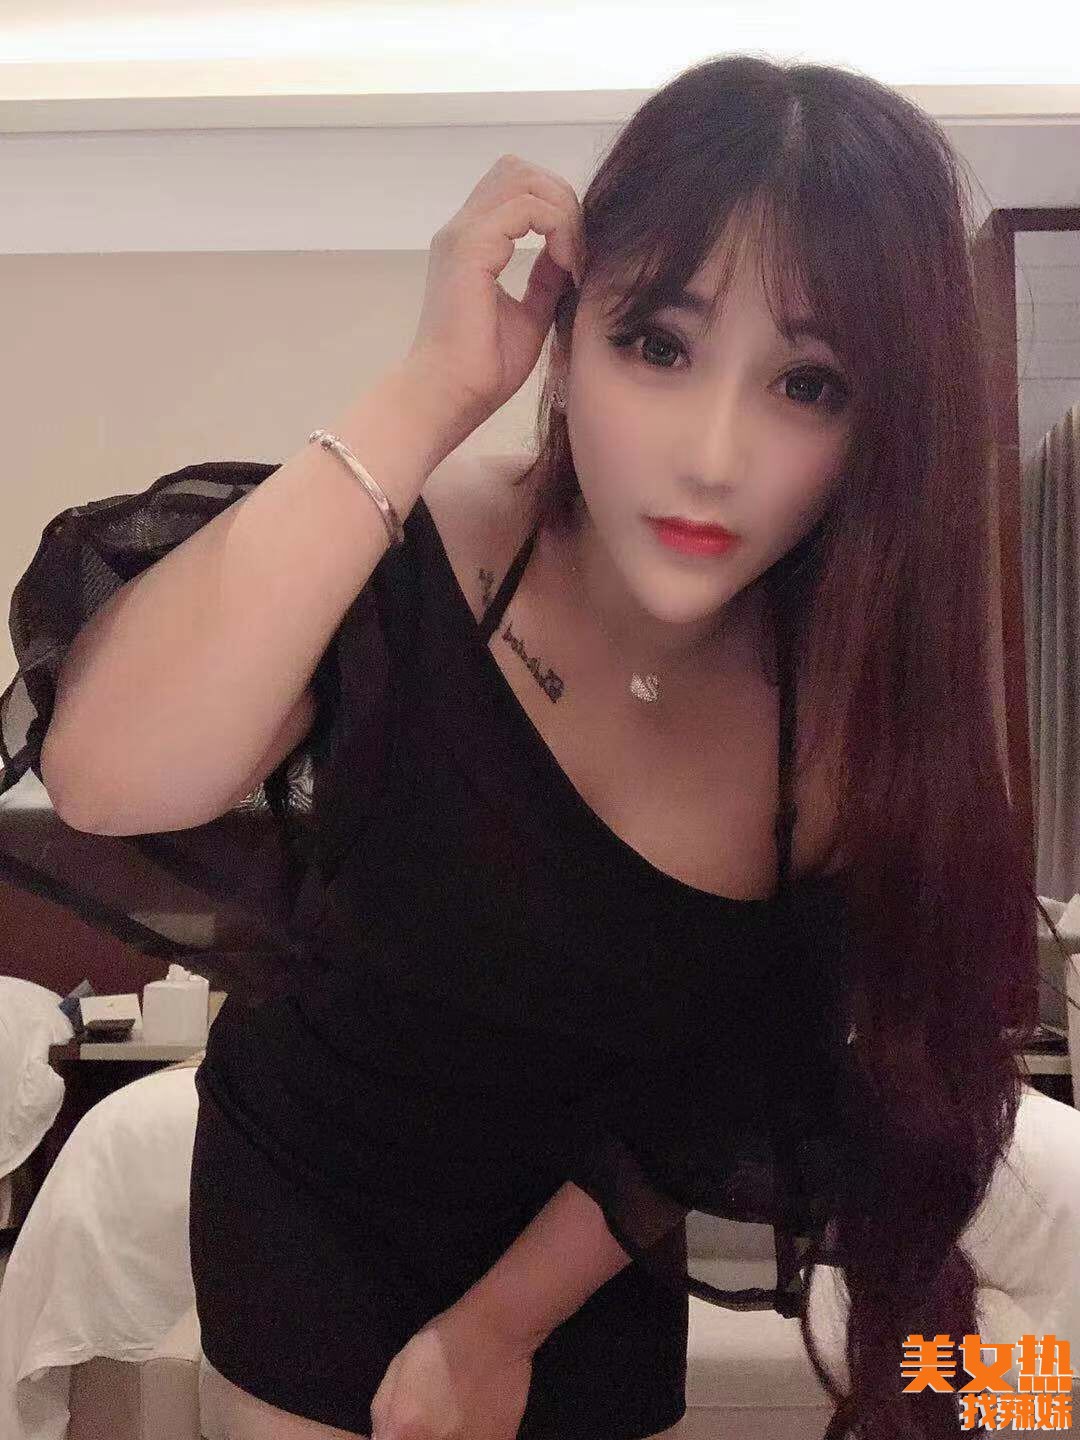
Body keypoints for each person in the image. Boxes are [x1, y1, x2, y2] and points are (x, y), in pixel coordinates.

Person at [1, 53, 1076, 1440]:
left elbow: (717, 1083)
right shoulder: (424, 554)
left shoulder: (834, 730)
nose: (711, 455)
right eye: (659, 346)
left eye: (808, 384)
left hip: (582, 1262)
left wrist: (497, 1329)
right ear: (570, 338)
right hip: (307, 1199)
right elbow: (104, 778)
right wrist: (434, 387)